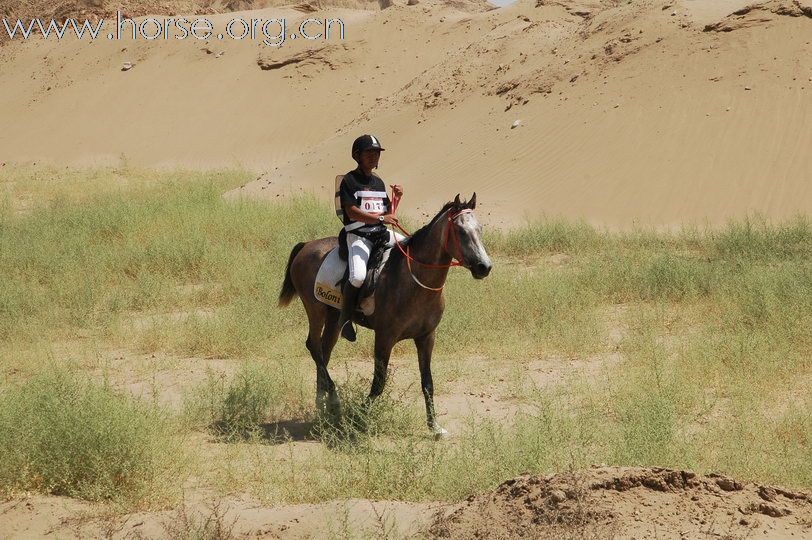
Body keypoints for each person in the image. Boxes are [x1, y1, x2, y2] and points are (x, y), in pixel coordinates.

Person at [337, 134, 404, 342]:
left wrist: (396, 199)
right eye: (369, 152)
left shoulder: (378, 182)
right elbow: (353, 212)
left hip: (380, 234)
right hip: (359, 237)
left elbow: (385, 214)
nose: (374, 156)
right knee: (357, 277)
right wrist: (383, 217)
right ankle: (345, 319)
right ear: (357, 155)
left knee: (409, 249)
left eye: (376, 153)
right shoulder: (349, 180)